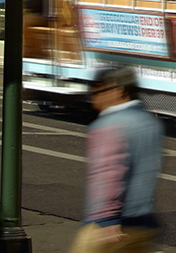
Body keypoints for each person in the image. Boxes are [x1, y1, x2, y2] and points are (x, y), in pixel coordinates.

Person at [70, 67, 164, 253]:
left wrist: (107, 221)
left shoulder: (106, 125)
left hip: (109, 226)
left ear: (117, 90)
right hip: (143, 223)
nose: (94, 100)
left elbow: (108, 175)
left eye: (97, 93)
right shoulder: (150, 122)